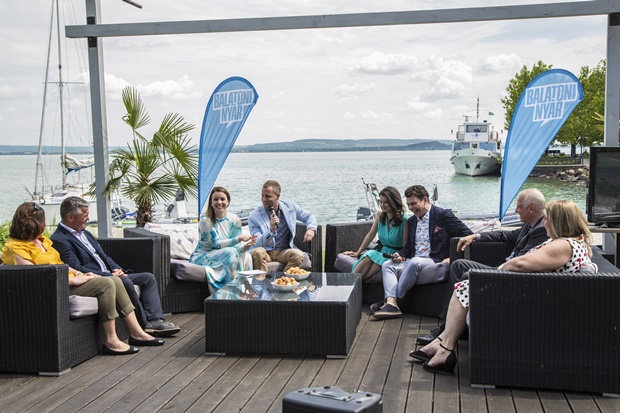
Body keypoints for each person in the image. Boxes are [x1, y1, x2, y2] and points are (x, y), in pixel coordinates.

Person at [411, 199, 596, 375]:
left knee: (466, 286)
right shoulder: (568, 242)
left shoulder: (563, 245)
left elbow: (520, 264)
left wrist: (498, 271)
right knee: (465, 285)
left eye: (547, 218)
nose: (544, 222)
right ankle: (443, 343)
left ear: (559, 221)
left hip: (537, 304)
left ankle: (444, 347)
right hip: (540, 294)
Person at [2, 202, 164, 355]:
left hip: (67, 281)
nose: (45, 224)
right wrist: (72, 280)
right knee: (107, 284)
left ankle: (136, 332)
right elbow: (34, 277)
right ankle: (111, 340)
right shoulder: (16, 247)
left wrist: (79, 274)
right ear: (32, 223)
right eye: (42, 221)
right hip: (54, 289)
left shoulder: (42, 241)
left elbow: (60, 264)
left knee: (115, 280)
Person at [417, 188, 548, 345]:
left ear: (531, 209)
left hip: (511, 274)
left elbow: (522, 262)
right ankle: (452, 324)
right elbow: (505, 235)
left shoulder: (541, 230)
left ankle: (446, 329)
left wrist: (499, 269)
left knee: (468, 275)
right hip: (504, 268)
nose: (515, 210)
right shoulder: (529, 225)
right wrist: (475, 236)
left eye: (519, 207)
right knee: (458, 265)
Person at [50, 197, 180, 337]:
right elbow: (78, 268)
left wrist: (119, 270)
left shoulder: (85, 233)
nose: (88, 219)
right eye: (85, 215)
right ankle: (144, 324)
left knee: (148, 278)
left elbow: (104, 257)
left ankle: (156, 320)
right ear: (70, 217)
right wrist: (110, 276)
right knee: (124, 282)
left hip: (111, 274)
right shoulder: (60, 240)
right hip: (96, 279)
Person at [371, 185, 473, 319]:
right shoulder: (412, 221)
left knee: (415, 262)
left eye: (413, 203)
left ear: (425, 199)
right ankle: (391, 302)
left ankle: (395, 302)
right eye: (408, 204)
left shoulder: (443, 215)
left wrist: (451, 257)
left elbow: (467, 234)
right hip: (414, 260)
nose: (411, 208)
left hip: (434, 260)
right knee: (387, 265)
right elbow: (409, 247)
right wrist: (400, 255)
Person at [189, 186, 257, 292]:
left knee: (247, 256)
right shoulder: (206, 220)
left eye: (222, 199)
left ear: (228, 202)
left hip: (227, 252)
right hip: (204, 255)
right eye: (215, 199)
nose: (219, 202)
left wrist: (244, 247)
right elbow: (216, 244)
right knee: (230, 252)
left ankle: (248, 289)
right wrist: (239, 239)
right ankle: (233, 290)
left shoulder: (234, 219)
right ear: (211, 203)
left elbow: (236, 246)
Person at [248, 180, 318, 272]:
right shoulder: (254, 216)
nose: (264, 199)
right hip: (265, 251)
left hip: (283, 251)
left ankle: (285, 279)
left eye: (268, 196)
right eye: (262, 196)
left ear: (278, 196)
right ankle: (261, 280)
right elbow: (257, 243)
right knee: (257, 252)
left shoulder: (290, 207)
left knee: (297, 254)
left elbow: (309, 216)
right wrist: (270, 231)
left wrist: (311, 229)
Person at [342, 186, 408, 281]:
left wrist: (402, 257)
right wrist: (357, 252)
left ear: (394, 202)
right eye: (381, 202)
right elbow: (371, 234)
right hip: (381, 251)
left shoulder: (404, 219)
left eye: (386, 202)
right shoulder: (380, 214)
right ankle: (352, 283)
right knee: (369, 255)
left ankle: (353, 284)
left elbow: (406, 245)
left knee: (374, 266)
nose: (382, 205)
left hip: (394, 254)